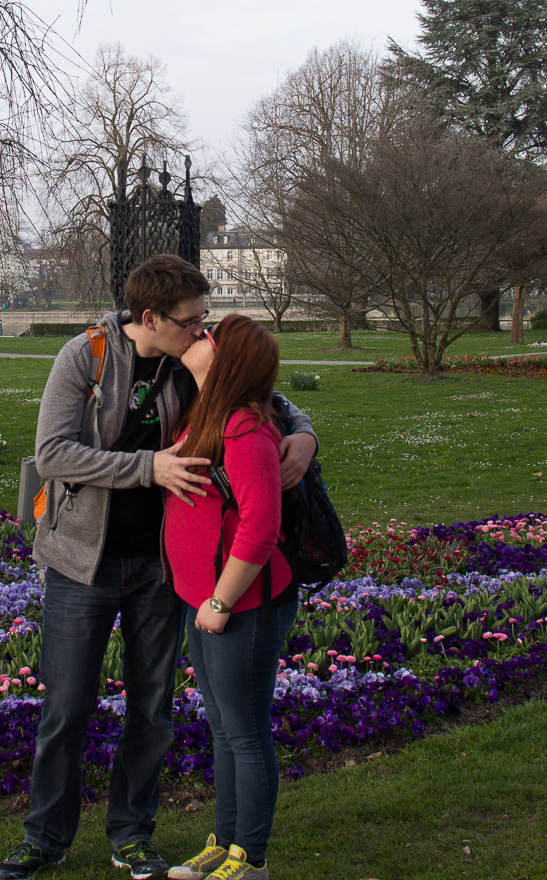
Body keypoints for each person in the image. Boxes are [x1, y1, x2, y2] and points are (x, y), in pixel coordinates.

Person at [0, 254, 317, 880]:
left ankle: (133, 833)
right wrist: (150, 468)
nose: (203, 332)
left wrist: (304, 434)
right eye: (190, 322)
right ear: (150, 318)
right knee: (66, 706)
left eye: (205, 319)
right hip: (80, 561)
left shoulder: (190, 361)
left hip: (159, 568)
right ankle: (45, 836)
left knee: (151, 707)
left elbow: (260, 396)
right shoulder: (84, 357)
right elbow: (53, 454)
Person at [165, 314, 295, 880]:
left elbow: (261, 528)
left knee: (245, 732)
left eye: (208, 335)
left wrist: (218, 604)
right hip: (204, 600)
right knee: (223, 728)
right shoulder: (207, 414)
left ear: (226, 361)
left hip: (241, 606)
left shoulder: (245, 429)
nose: (198, 335)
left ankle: (251, 859)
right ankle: (224, 843)